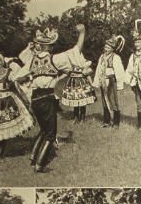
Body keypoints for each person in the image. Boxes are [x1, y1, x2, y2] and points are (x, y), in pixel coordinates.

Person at [16, 24, 87, 172]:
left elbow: (18, 76)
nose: (52, 47)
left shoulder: (32, 60)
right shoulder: (55, 59)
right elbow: (75, 51)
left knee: (43, 130)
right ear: (48, 47)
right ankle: (40, 165)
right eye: (51, 46)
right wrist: (82, 34)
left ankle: (33, 156)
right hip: (47, 98)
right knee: (50, 134)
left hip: (35, 99)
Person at [93, 35, 126, 128]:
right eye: (105, 46)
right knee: (104, 101)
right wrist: (96, 82)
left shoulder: (116, 58)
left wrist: (120, 85)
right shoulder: (102, 57)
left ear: (112, 49)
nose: (106, 48)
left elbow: (120, 72)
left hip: (111, 81)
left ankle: (116, 123)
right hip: (103, 81)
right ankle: (106, 121)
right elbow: (98, 70)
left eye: (108, 47)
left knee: (113, 101)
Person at [61, 51, 96, 124]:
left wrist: (91, 84)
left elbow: (88, 75)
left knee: (82, 100)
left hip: (81, 83)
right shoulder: (70, 65)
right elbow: (66, 73)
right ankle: (76, 117)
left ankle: (82, 117)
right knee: (75, 100)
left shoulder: (84, 64)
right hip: (72, 83)